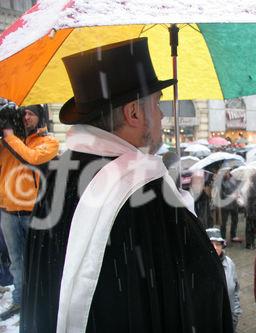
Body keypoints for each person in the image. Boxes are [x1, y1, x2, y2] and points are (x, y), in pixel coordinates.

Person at [21, 38, 233, 332]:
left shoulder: (57, 172)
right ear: (133, 113)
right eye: (157, 103)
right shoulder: (145, 192)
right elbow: (203, 288)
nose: (161, 115)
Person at [0, 104, 59, 319]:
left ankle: (41, 302)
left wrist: (8, 135)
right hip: (7, 212)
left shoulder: (49, 142)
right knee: (16, 261)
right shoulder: (7, 143)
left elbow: (31, 157)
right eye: (22, 113)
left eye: (30, 113)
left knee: (39, 260)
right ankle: (20, 301)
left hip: (34, 214)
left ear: (40, 117)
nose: (25, 117)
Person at [207, 228, 242, 330]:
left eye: (218, 244)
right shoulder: (200, 266)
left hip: (228, 320)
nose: (215, 247)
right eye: (211, 244)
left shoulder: (229, 263)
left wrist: (235, 315)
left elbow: (235, 290)